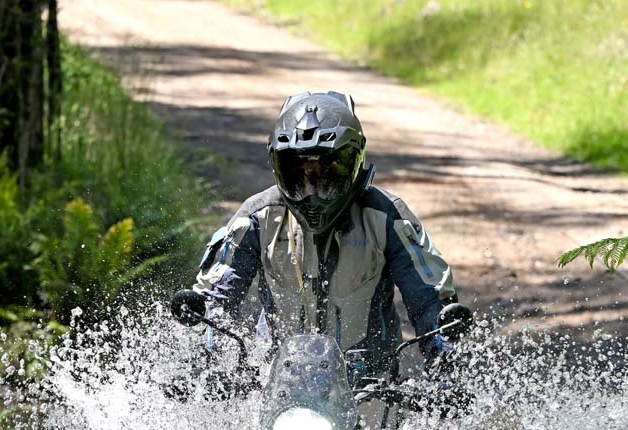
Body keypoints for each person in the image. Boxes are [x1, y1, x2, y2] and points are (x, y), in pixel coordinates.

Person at [188, 90, 457, 376]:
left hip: (370, 386)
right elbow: (214, 300)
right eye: (298, 177)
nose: (311, 193)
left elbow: (431, 303)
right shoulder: (256, 218)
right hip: (272, 384)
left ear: (353, 164)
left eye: (325, 176)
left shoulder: (388, 218)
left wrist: (446, 364)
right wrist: (206, 364)